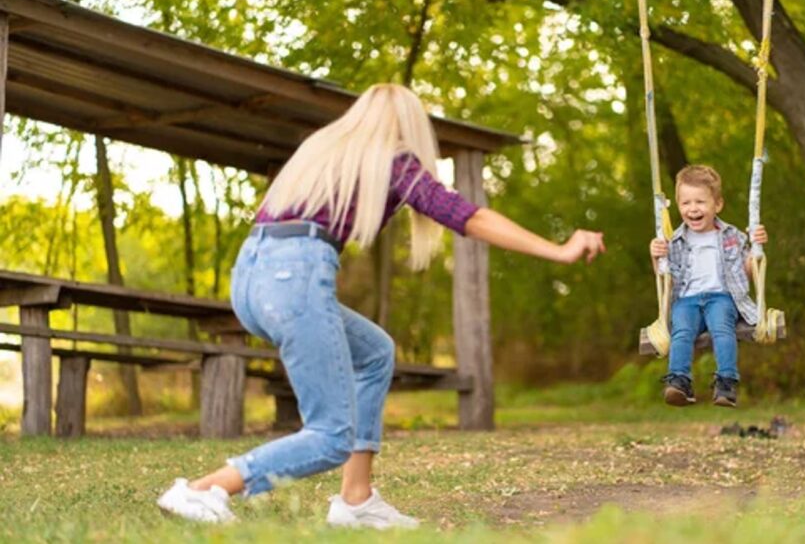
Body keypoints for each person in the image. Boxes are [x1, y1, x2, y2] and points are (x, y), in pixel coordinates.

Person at [156, 84, 605, 528]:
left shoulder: (322, 151)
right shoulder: (392, 160)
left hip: (252, 275)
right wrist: (557, 249)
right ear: (408, 127)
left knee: (374, 352)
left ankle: (356, 499)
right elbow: (468, 217)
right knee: (331, 435)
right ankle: (203, 490)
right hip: (295, 274)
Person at [648, 165, 767, 408]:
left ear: (717, 205)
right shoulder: (673, 241)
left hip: (720, 297)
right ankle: (679, 382)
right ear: (679, 207)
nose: (693, 209)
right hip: (686, 300)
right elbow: (663, 277)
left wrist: (756, 248)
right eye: (686, 203)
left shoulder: (732, 236)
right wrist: (655, 255)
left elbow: (747, 271)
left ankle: (726, 383)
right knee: (681, 332)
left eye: (700, 202)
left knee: (722, 330)